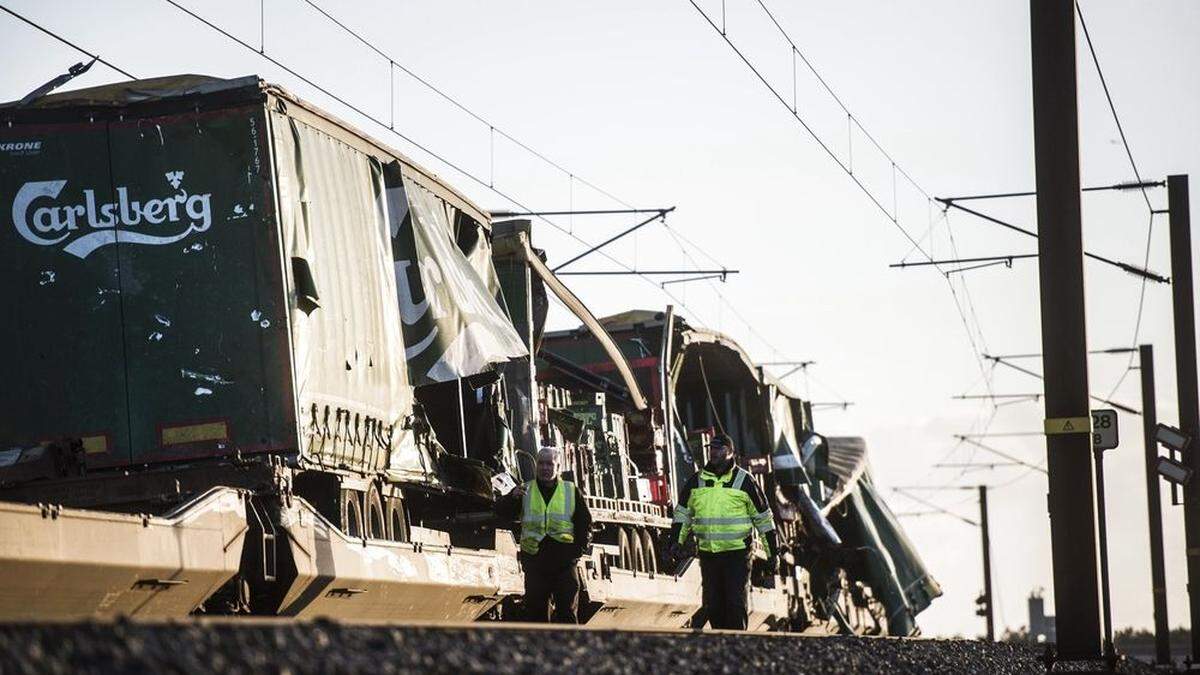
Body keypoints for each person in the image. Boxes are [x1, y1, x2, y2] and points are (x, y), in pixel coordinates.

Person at [668, 434, 778, 630]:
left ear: (731, 453)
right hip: (709, 554)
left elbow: (763, 519)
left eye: (719, 449)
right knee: (714, 605)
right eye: (712, 449)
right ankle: (721, 643)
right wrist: (676, 541)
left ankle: (737, 642)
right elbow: (683, 514)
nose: (714, 453)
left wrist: (772, 554)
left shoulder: (745, 481)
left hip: (738, 554)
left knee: (735, 603)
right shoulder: (697, 480)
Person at [497, 446, 592, 623]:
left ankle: (568, 648)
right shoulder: (524, 490)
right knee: (536, 614)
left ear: (558, 467)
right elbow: (502, 514)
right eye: (541, 463)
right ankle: (541, 649)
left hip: (564, 563)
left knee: (567, 613)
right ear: (536, 466)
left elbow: (584, 523)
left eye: (550, 464)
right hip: (535, 562)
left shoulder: (571, 491)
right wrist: (511, 498)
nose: (545, 468)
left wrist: (577, 552)